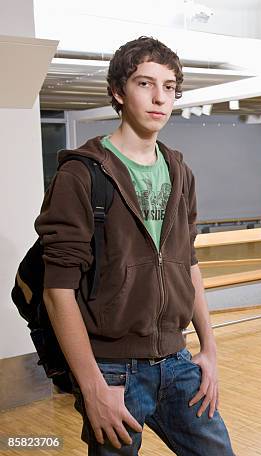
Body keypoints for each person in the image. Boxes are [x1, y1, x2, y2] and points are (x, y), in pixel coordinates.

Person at [35, 37, 234, 454]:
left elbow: (187, 263)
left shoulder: (180, 171)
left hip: (178, 361)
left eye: (170, 85)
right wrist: (92, 388)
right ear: (118, 92)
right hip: (112, 371)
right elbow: (58, 292)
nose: (160, 97)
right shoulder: (82, 175)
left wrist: (210, 350)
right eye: (145, 84)